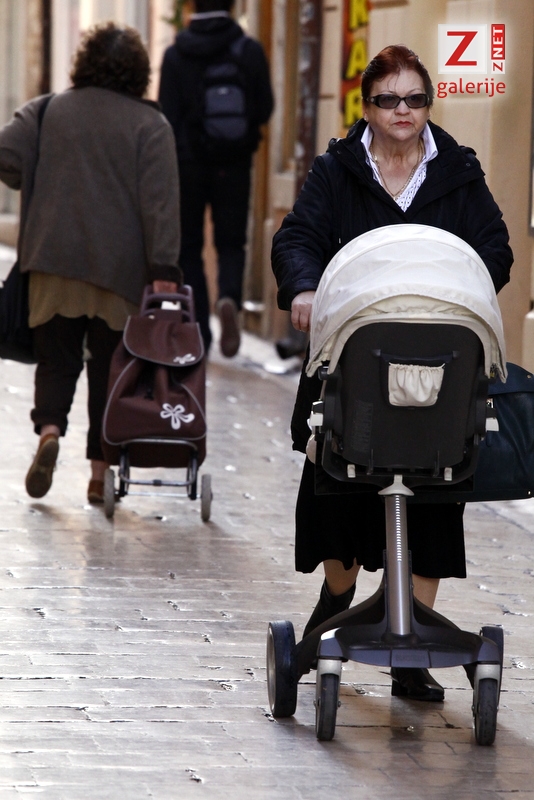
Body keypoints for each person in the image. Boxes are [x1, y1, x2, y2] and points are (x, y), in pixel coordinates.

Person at [271, 45, 513, 702]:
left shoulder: (457, 172)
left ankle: (413, 650)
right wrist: (303, 287)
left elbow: (494, 249)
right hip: (357, 359)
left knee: (436, 486)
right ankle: (338, 598)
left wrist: (461, 291)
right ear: (367, 106)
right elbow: (298, 238)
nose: (402, 111)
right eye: (388, 99)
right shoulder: (338, 171)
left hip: (439, 362)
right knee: (339, 480)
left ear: (428, 104)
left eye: (414, 99)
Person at [0, 22, 181, 503]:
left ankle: (49, 432)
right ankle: (100, 474)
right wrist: (164, 270)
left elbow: (6, 155)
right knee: (110, 370)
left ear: (82, 63)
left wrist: (37, 172)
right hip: (118, 272)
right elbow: (160, 205)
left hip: (52, 261)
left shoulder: (47, 110)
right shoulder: (151, 125)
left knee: (56, 360)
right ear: (139, 70)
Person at [158, 0, 274, 357]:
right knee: (231, 243)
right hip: (234, 163)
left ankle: (199, 332)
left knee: (189, 247)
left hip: (187, 165)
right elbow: (265, 107)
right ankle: (229, 298)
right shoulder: (248, 50)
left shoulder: (176, 54)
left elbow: (166, 115)